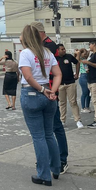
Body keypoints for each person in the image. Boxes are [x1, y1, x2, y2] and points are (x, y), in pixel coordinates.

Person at [19, 24, 62, 186]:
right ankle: (56, 168)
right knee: (49, 134)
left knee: (38, 136)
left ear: (25, 37)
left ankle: (44, 175)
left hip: (32, 94)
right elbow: (58, 74)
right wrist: (52, 91)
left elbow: (28, 77)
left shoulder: (25, 54)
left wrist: (42, 90)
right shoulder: (48, 53)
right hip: (49, 93)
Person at [30, 21, 69, 175]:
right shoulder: (43, 46)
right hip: (44, 91)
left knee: (55, 127)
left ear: (39, 33)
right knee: (47, 129)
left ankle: (61, 159)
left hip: (50, 91)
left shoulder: (49, 46)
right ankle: (49, 159)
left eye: (33, 34)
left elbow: (55, 72)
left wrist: (53, 91)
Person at [56, 44, 83, 128]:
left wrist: (77, 74)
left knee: (73, 102)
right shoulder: (54, 58)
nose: (64, 50)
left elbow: (77, 63)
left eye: (64, 49)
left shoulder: (69, 56)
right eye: (62, 49)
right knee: (62, 103)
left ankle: (77, 120)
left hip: (70, 83)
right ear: (58, 50)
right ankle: (62, 120)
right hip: (60, 84)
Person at [81, 40, 96, 128]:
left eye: (90, 44)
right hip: (91, 80)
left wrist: (88, 63)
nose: (89, 46)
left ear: (94, 45)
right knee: (95, 100)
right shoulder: (92, 55)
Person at [76, 48, 91, 113]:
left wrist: (88, 51)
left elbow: (89, 51)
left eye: (86, 54)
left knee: (88, 93)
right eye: (84, 54)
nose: (85, 55)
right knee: (84, 92)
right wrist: (78, 52)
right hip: (83, 76)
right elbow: (77, 58)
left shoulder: (87, 60)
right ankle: (83, 107)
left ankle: (87, 106)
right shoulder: (80, 60)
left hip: (88, 76)